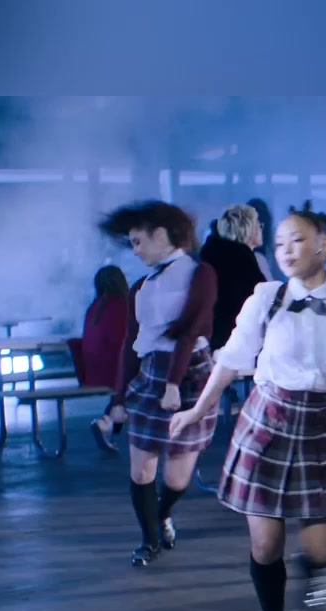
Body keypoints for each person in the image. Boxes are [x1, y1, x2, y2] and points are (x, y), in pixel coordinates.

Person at [170, 202, 326, 611]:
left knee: (323, 550)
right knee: (266, 545)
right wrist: (197, 410)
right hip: (267, 421)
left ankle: (312, 571)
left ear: (322, 244)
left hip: (322, 424)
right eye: (279, 243)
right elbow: (232, 359)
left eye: (297, 240)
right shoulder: (266, 297)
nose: (286, 250)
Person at [100, 201, 219, 567]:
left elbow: (190, 330)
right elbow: (132, 344)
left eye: (138, 241)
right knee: (141, 470)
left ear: (162, 234)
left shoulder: (200, 274)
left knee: (178, 477)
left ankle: (163, 514)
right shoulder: (141, 286)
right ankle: (149, 540)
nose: (135, 251)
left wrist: (173, 384)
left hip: (193, 374)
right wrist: (118, 397)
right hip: (152, 373)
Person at [73, 265, 132, 452]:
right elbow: (126, 342)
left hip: (93, 373)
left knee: (128, 394)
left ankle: (109, 426)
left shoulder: (94, 308)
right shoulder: (123, 306)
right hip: (115, 371)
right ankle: (107, 424)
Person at [199, 204, 267, 350]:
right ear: (249, 228)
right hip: (234, 344)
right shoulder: (242, 264)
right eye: (258, 224)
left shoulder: (215, 257)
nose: (261, 228)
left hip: (215, 342)